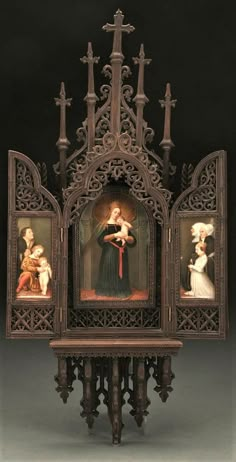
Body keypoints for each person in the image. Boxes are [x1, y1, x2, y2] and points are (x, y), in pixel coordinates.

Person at [95, 202, 136, 298]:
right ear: (110, 212)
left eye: (118, 212)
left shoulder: (122, 225)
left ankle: (121, 291)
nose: (117, 214)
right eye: (115, 212)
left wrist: (127, 238)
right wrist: (115, 235)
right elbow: (101, 239)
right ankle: (108, 291)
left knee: (122, 272)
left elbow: (133, 240)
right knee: (110, 271)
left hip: (122, 253)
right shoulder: (105, 225)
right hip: (109, 253)